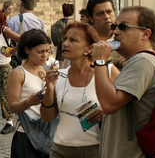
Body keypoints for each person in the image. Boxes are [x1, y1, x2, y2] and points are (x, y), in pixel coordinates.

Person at [92, 6, 155, 158]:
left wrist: (100, 61)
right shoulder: (135, 61)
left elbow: (110, 103)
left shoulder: (143, 61)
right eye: (115, 26)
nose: (116, 32)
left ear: (146, 33)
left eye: (123, 27)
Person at [40, 22, 119, 158]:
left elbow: (125, 105)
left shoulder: (108, 71)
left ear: (89, 49)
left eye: (73, 40)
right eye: (65, 39)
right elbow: (47, 117)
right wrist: (50, 89)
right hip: (61, 150)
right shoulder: (59, 75)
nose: (65, 44)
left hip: (97, 150)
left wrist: (105, 112)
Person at [7, 29, 53, 158]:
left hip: (47, 130)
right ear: (27, 50)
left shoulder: (47, 69)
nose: (45, 55)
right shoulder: (19, 73)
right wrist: (29, 102)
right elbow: (12, 106)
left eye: (47, 51)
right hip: (27, 132)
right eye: (40, 52)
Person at [0, 8, 20, 135]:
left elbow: (22, 39)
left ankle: (9, 122)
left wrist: (11, 51)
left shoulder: (4, 30)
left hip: (3, 65)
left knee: (4, 94)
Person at [85, 0, 125, 68]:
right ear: (91, 18)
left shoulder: (125, 37)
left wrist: (129, 58)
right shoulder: (82, 40)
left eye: (109, 12)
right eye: (100, 14)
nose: (106, 17)